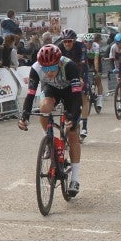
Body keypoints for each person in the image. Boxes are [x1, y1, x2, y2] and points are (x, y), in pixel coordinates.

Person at [18, 44, 83, 195]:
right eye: (45, 68)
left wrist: (73, 117)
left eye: (52, 68)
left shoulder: (69, 66)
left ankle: (75, 179)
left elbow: (77, 97)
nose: (48, 72)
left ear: (59, 62)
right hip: (51, 90)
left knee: (72, 133)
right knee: (44, 108)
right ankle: (49, 139)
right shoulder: (36, 69)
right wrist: (24, 116)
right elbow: (30, 95)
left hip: (70, 93)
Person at [56, 30, 92, 139]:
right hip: (66, 72)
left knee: (83, 97)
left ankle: (84, 126)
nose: (67, 44)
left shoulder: (81, 47)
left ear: (74, 41)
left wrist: (79, 77)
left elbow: (82, 64)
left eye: (69, 41)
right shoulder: (59, 47)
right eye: (65, 41)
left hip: (81, 71)